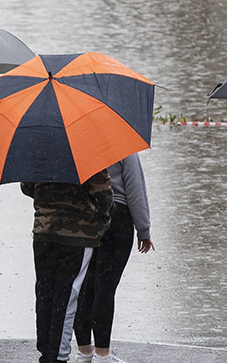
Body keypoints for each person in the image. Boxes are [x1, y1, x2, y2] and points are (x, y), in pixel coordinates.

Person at [22, 170, 114, 363]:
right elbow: (102, 193)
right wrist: (104, 214)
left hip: (44, 231)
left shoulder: (37, 149)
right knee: (68, 294)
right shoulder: (86, 150)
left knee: (45, 293)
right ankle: (59, 355)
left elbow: (27, 186)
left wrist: (50, 198)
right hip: (78, 235)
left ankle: (47, 351)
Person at [73, 153, 155, 363]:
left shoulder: (75, 139)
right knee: (105, 288)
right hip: (118, 217)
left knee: (83, 286)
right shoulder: (120, 142)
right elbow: (135, 187)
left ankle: (84, 350)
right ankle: (102, 354)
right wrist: (143, 229)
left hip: (84, 218)